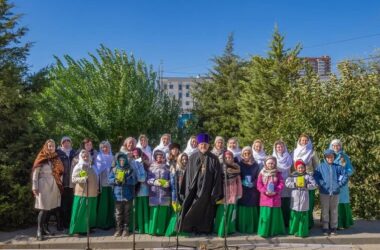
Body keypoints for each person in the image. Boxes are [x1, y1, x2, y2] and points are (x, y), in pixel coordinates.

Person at [179, 133, 223, 234]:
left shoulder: (214, 158)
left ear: (208, 145)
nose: (203, 146)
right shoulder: (192, 157)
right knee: (192, 209)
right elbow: (188, 175)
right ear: (198, 145)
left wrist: (214, 192)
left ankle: (204, 230)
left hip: (208, 191)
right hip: (194, 191)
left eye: (205, 144)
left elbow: (217, 177)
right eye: (201, 144)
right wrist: (188, 190)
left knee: (206, 212)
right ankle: (190, 228)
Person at [32, 139, 64, 241]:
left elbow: (60, 172)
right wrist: (34, 186)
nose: (51, 148)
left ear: (55, 147)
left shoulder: (56, 158)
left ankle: (45, 229)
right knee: (43, 208)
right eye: (49, 146)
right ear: (46, 146)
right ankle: (38, 231)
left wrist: (59, 183)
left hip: (53, 185)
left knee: (49, 208)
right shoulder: (41, 157)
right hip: (43, 185)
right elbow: (35, 173)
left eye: (53, 146)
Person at [314, 149, 348, 236]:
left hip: (335, 192)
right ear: (325, 158)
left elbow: (345, 176)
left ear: (334, 157)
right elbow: (316, 176)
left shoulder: (338, 167)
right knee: (325, 209)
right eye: (328, 157)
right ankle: (325, 227)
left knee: (334, 210)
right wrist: (322, 184)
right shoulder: (320, 167)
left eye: (332, 157)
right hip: (324, 192)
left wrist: (339, 184)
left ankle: (333, 227)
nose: (330, 158)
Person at [69, 150, 98, 236]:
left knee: (89, 212)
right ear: (81, 157)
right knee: (80, 212)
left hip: (92, 193)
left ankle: (87, 228)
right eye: (84, 156)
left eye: (87, 156)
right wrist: (82, 179)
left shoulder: (92, 166)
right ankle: (76, 230)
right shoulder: (78, 167)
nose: (86, 158)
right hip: (82, 193)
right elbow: (73, 179)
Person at [293, 134, 319, 228]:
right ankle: (298, 223)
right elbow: (293, 167)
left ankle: (308, 222)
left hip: (309, 179)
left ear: (308, 142)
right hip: (297, 179)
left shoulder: (312, 152)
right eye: (302, 140)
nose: (304, 142)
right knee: (298, 201)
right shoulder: (295, 152)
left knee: (309, 202)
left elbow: (317, 167)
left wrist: (315, 180)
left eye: (306, 140)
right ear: (299, 141)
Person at [109, 152, 138, 237]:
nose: (122, 161)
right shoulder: (114, 169)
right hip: (117, 195)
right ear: (118, 160)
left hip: (128, 195)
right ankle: (118, 229)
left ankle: (126, 229)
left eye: (123, 159)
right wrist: (115, 181)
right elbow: (109, 179)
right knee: (118, 213)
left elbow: (134, 180)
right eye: (120, 160)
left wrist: (127, 181)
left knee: (127, 213)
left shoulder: (130, 169)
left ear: (126, 160)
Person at [214, 150, 242, 237]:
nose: (228, 159)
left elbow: (239, 183)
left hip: (233, 193)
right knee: (222, 212)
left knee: (231, 213)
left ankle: (229, 229)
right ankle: (220, 229)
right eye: (226, 157)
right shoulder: (220, 168)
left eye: (229, 157)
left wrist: (239, 193)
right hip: (223, 193)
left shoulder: (236, 168)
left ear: (232, 158)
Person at [286, 160, 317, 237]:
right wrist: (295, 184)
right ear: (296, 168)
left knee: (303, 216)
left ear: (304, 168)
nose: (300, 169)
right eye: (299, 168)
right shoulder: (292, 175)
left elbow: (315, 185)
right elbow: (287, 183)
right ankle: (293, 230)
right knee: (295, 215)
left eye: (302, 168)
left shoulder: (308, 176)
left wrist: (306, 186)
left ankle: (302, 232)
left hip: (304, 199)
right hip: (295, 199)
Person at [257, 156, 285, 238]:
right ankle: (264, 232)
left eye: (272, 163)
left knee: (274, 217)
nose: (270, 165)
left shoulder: (278, 173)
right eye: (269, 163)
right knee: (265, 217)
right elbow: (259, 184)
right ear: (265, 164)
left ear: (275, 163)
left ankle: (274, 231)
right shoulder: (262, 173)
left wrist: (276, 190)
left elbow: (281, 183)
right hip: (265, 198)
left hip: (275, 198)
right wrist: (264, 191)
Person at [329, 139, 354, 229]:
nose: (336, 147)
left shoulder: (344, 156)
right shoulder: (328, 156)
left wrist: (344, 174)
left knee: (342, 201)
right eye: (334, 146)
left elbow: (350, 169)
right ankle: (333, 223)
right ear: (331, 147)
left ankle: (343, 223)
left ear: (340, 146)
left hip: (342, 184)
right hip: (332, 183)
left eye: (338, 145)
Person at [236, 146, 261, 234]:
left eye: (248, 153)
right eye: (245, 153)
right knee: (243, 206)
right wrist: (241, 181)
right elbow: (237, 176)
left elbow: (258, 177)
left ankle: (252, 227)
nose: (247, 155)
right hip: (242, 189)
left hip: (253, 190)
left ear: (251, 154)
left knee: (252, 206)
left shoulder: (256, 165)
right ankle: (242, 227)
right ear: (242, 154)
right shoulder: (239, 164)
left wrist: (253, 183)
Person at [147, 150, 171, 236]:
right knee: (154, 212)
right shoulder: (151, 168)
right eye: (158, 157)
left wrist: (168, 183)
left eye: (161, 156)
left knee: (162, 212)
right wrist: (154, 181)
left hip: (164, 193)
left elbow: (171, 179)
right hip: (154, 193)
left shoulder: (167, 168)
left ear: (164, 157)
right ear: (155, 157)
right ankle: (153, 230)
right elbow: (148, 180)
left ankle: (161, 231)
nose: (159, 158)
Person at [56, 136, 76, 230]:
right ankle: (60, 223)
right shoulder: (58, 153)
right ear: (62, 143)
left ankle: (68, 223)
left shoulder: (74, 153)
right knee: (61, 205)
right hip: (62, 183)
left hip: (71, 183)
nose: (67, 143)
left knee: (69, 204)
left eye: (68, 141)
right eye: (65, 142)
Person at [272, 140, 293, 227]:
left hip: (287, 181)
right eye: (278, 147)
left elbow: (291, 170)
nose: (280, 148)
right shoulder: (273, 158)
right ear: (275, 148)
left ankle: (287, 222)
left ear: (284, 147)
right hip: (277, 182)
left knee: (286, 202)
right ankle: (279, 222)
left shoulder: (289, 157)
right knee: (278, 202)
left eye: (281, 146)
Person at [95, 141, 115, 230]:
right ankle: (102, 223)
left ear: (109, 148)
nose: (105, 149)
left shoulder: (112, 157)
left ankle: (111, 222)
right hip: (103, 183)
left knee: (111, 203)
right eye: (103, 147)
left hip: (112, 184)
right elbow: (97, 171)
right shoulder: (99, 157)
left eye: (106, 147)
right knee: (104, 204)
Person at [132, 148, 150, 233]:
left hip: (144, 190)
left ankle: (146, 228)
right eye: (134, 153)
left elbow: (143, 178)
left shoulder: (144, 163)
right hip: (136, 190)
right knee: (137, 210)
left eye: (137, 153)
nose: (135, 155)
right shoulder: (132, 163)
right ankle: (139, 228)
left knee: (145, 210)